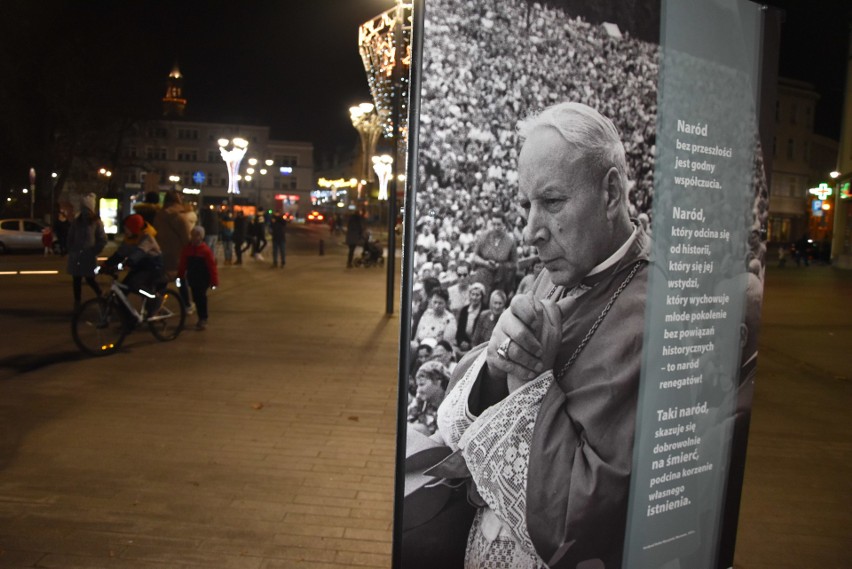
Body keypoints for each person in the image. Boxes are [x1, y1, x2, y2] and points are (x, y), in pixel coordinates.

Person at [432, 102, 652, 568]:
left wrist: (531, 387)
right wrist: (495, 365)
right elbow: (460, 414)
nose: (531, 232)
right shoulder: (558, 269)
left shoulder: (656, 311)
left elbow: (584, 516)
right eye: (525, 205)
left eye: (551, 203)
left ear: (611, 194)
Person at [105, 214, 164, 315]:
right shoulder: (131, 237)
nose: (125, 231)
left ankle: (154, 298)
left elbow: (139, 252)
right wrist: (106, 265)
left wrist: (129, 262)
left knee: (135, 284)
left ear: (134, 228)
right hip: (140, 267)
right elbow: (120, 253)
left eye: (126, 228)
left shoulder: (147, 237)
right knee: (121, 290)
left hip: (153, 267)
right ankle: (129, 319)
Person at [153, 190, 192, 309]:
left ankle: (155, 306)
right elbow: (186, 238)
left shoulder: (159, 215)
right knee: (181, 280)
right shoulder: (180, 216)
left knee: (162, 280)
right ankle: (187, 305)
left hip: (161, 253)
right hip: (177, 254)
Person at [66, 198, 107, 309]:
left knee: (90, 279)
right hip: (77, 256)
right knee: (76, 280)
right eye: (84, 209)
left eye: (87, 209)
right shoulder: (77, 221)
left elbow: (102, 239)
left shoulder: (96, 222)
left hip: (88, 255)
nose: (85, 212)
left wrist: (94, 250)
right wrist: (71, 249)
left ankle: (101, 295)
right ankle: (77, 303)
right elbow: (70, 237)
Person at [178, 226, 219, 330]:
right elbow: (183, 263)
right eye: (193, 235)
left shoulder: (205, 251)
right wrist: (180, 275)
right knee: (196, 297)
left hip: (203, 279)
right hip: (192, 278)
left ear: (201, 237)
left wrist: (214, 281)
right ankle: (201, 317)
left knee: (201, 297)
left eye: (197, 235)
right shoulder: (188, 249)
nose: (195, 238)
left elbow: (212, 266)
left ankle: (203, 318)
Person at [471, 210, 517, 297]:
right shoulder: (484, 236)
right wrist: (485, 263)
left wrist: (500, 266)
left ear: (504, 225)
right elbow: (475, 257)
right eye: (493, 224)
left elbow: (514, 264)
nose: (496, 227)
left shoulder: (510, 241)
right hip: (484, 275)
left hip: (501, 278)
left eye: (499, 224)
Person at [455, 282, 487, 353]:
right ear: (469, 295)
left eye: (477, 295)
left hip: (478, 347)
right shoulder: (464, 310)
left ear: (482, 297)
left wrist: (471, 345)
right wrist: (461, 342)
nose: (474, 297)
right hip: (464, 346)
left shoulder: (485, 311)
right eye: (472, 294)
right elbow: (459, 332)